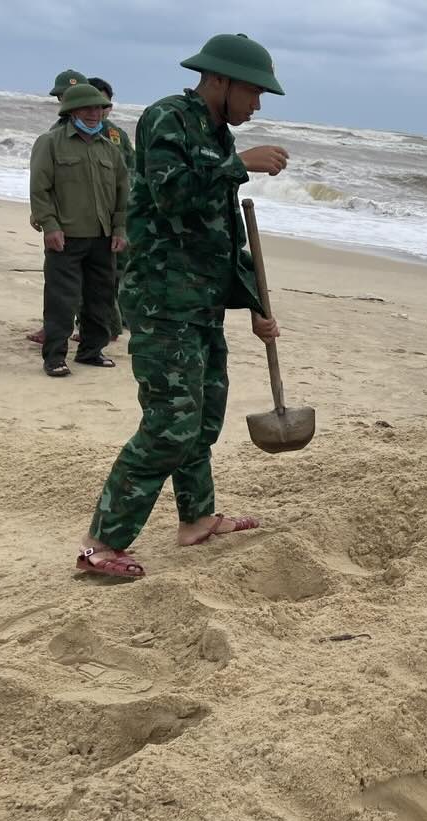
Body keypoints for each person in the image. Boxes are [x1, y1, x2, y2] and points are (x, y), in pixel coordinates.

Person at [75, 33, 291, 578]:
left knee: (203, 421)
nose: (257, 104)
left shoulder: (217, 132)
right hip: (160, 300)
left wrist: (253, 305)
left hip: (201, 303)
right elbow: (172, 198)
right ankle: (100, 543)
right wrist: (238, 164)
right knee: (169, 424)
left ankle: (196, 519)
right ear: (220, 80)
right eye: (254, 91)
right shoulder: (167, 118)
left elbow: (219, 236)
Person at [29, 83, 129, 377]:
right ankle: (55, 357)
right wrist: (49, 226)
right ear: (71, 111)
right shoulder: (50, 143)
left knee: (100, 298)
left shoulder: (109, 149)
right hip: (65, 236)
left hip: (103, 238)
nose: (94, 113)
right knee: (62, 300)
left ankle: (91, 351)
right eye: (87, 108)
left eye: (99, 107)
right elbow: (39, 189)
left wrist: (119, 229)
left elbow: (123, 191)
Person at [28, 69, 89, 344]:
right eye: (62, 96)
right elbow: (43, 179)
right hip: (63, 218)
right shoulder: (53, 135)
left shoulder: (108, 134)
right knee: (59, 280)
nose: (66, 100)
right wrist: (42, 213)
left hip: (94, 219)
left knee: (95, 281)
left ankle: (94, 330)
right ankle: (55, 329)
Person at [87, 76, 135, 340]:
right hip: (86, 214)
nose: (99, 110)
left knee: (118, 270)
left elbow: (132, 172)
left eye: (104, 105)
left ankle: (117, 320)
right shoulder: (69, 132)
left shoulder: (117, 136)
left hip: (117, 213)